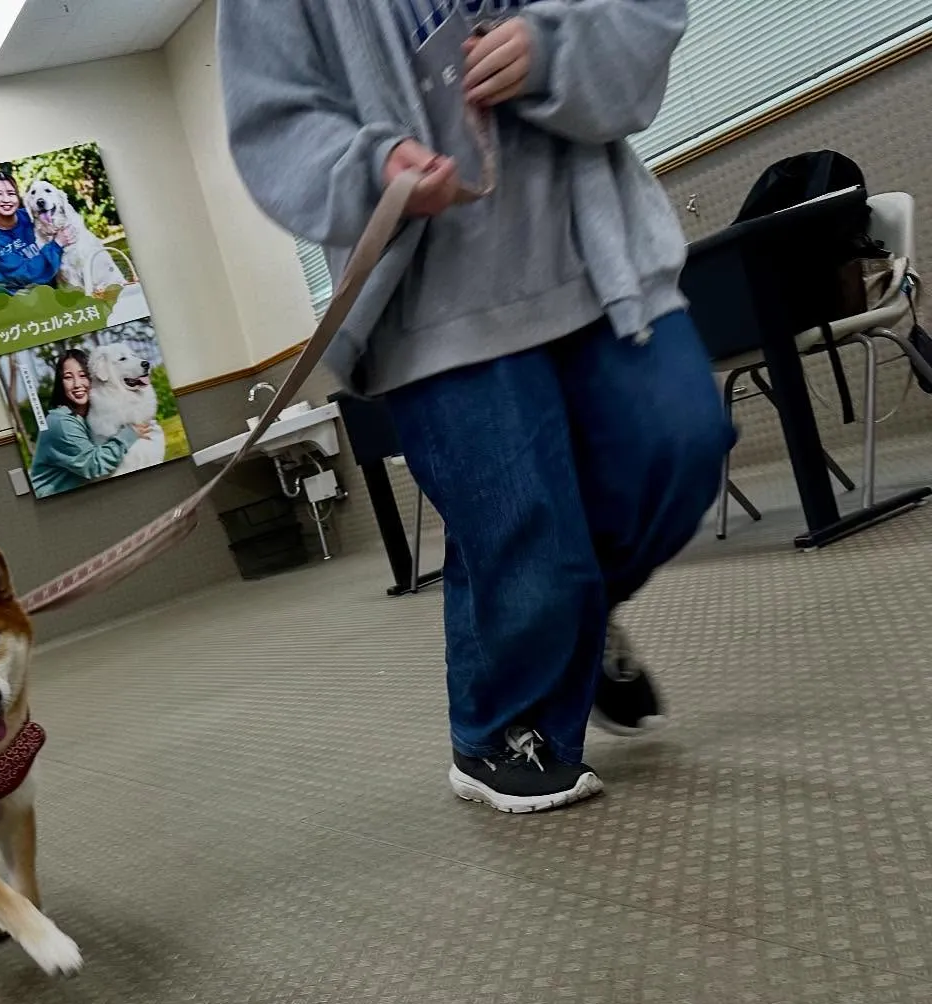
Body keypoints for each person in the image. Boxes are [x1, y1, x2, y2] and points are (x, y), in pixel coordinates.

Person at [220, 0, 733, 813]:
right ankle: (501, 731)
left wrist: (559, 48)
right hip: (434, 301)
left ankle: (570, 624)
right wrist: (371, 164)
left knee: (680, 444)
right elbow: (272, 116)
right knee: (525, 535)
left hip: (595, 249)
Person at [29, 349, 153, 498]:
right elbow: (94, 466)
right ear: (60, 383)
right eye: (68, 377)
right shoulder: (60, 422)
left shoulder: (89, 414)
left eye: (83, 376)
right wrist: (129, 434)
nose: (77, 384)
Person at [0, 171, 73, 296]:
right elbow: (24, 274)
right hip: (13, 290)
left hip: (47, 283)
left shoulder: (31, 215)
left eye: (11, 193)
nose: (6, 199)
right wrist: (56, 244)